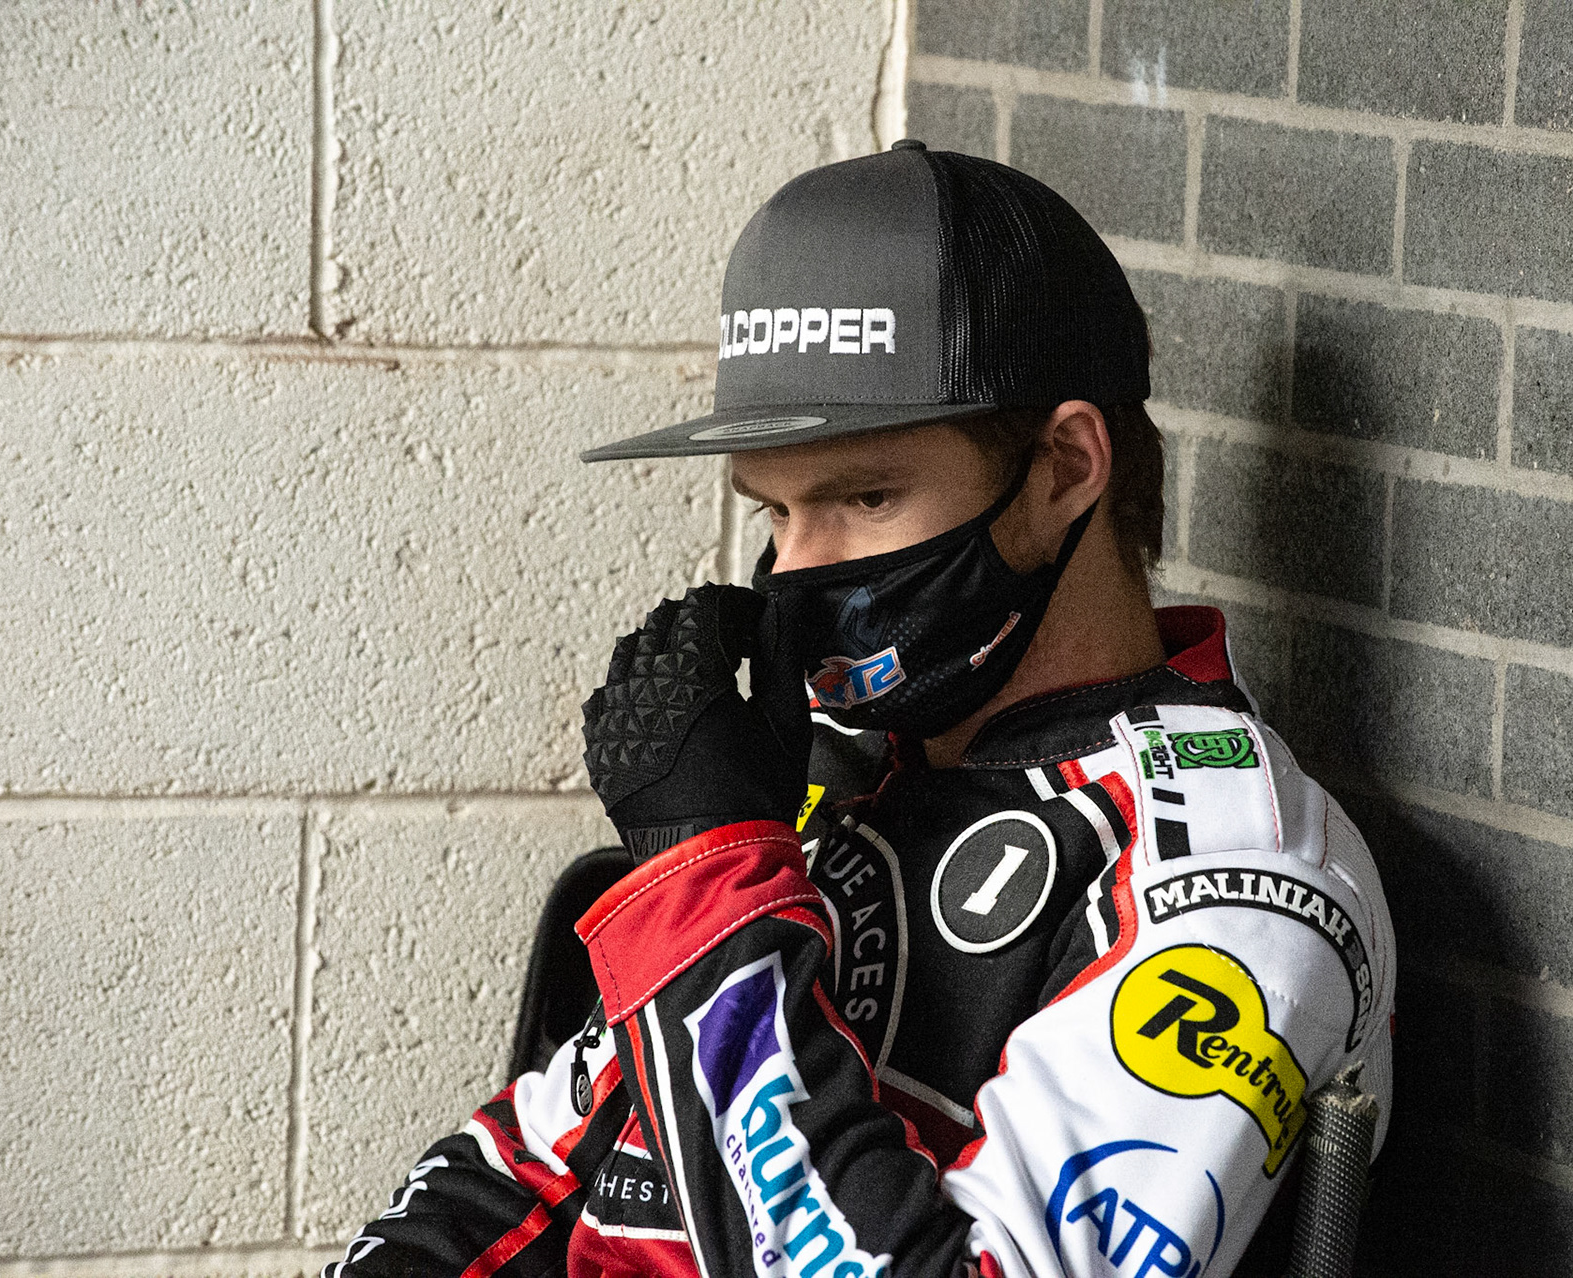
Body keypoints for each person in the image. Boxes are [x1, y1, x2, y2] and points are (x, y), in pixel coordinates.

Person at [324, 140, 1396, 1278]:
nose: (802, 569)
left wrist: (704, 886)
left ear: (1068, 468)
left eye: (866, 496)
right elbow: (524, 1174)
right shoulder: (841, 792)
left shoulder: (1239, 882)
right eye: (778, 512)